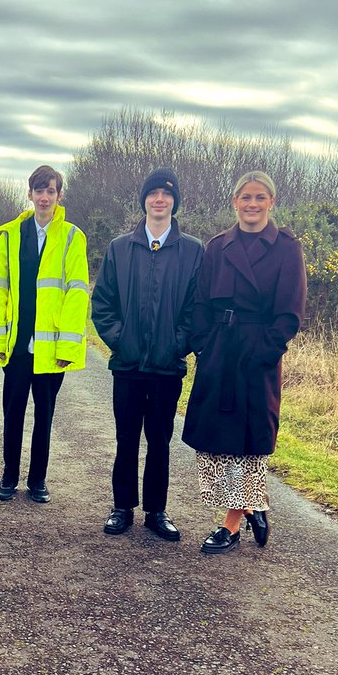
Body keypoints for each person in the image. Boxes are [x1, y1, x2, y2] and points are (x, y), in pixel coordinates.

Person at [182, 171, 307, 553]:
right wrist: (203, 346)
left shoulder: (287, 248)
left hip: (257, 355)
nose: (252, 204)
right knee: (218, 441)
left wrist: (263, 354)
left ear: (271, 201)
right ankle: (251, 504)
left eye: (260, 197)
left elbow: (290, 314)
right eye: (245, 197)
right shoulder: (217, 247)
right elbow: (200, 302)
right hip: (220, 351)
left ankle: (231, 524)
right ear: (234, 201)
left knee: (249, 440)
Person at [91, 167, 204, 539]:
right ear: (143, 200)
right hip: (128, 365)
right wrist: (121, 340)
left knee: (159, 441)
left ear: (175, 202)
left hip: (167, 367)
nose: (160, 199)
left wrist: (177, 344)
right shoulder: (120, 248)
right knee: (126, 438)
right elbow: (103, 304)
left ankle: (157, 511)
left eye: (167, 194)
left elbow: (197, 309)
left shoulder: (192, 251)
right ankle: (121, 507)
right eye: (153, 193)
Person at [0, 165, 88, 503]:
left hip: (50, 348)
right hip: (15, 347)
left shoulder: (72, 237)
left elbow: (77, 291)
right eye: (38, 190)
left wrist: (68, 346)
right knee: (12, 414)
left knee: (44, 417)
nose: (44, 197)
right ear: (29, 194)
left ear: (59, 196)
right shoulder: (10, 236)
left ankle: (38, 480)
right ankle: (9, 475)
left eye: (51, 191)